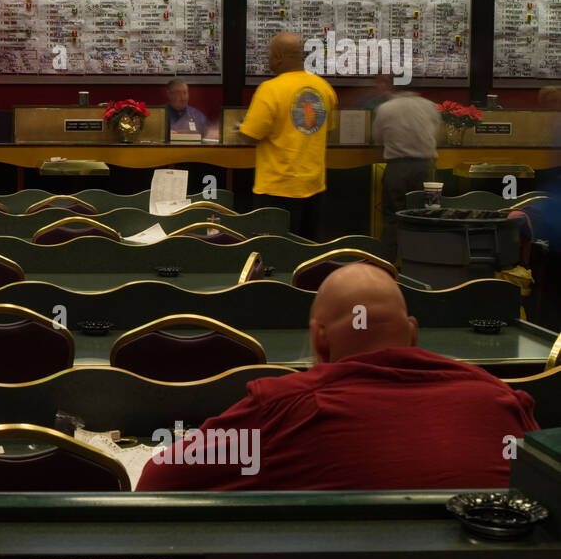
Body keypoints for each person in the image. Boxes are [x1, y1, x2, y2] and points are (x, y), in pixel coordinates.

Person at [136, 264, 537, 492]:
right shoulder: (500, 401)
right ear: (413, 333)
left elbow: (157, 482)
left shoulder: (281, 411)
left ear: (319, 340)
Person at [238, 32, 337, 240]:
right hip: (314, 188)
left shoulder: (270, 89)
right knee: (308, 252)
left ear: (279, 56)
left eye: (269, 54)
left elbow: (250, 135)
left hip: (276, 190)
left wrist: (239, 129)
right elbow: (327, 130)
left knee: (276, 254)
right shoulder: (324, 89)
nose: (268, 59)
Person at [373, 90, 442, 261]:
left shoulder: (385, 108)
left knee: (392, 219)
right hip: (425, 169)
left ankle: (387, 267)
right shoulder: (430, 106)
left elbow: (377, 139)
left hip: (397, 168)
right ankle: (420, 265)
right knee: (424, 218)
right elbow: (438, 136)